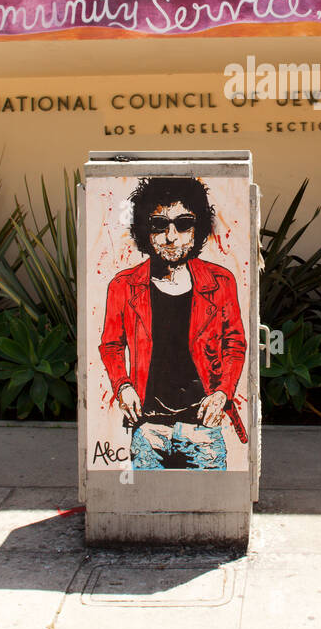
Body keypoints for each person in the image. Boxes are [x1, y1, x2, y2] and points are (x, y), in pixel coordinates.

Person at [99, 177, 247, 472]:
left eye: (183, 224)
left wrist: (222, 393)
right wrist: (123, 387)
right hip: (148, 428)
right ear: (145, 229)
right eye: (158, 225)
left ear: (197, 228)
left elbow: (235, 343)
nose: (171, 236)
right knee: (148, 508)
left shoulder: (220, 282)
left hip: (204, 428)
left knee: (209, 509)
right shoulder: (124, 286)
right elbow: (111, 344)